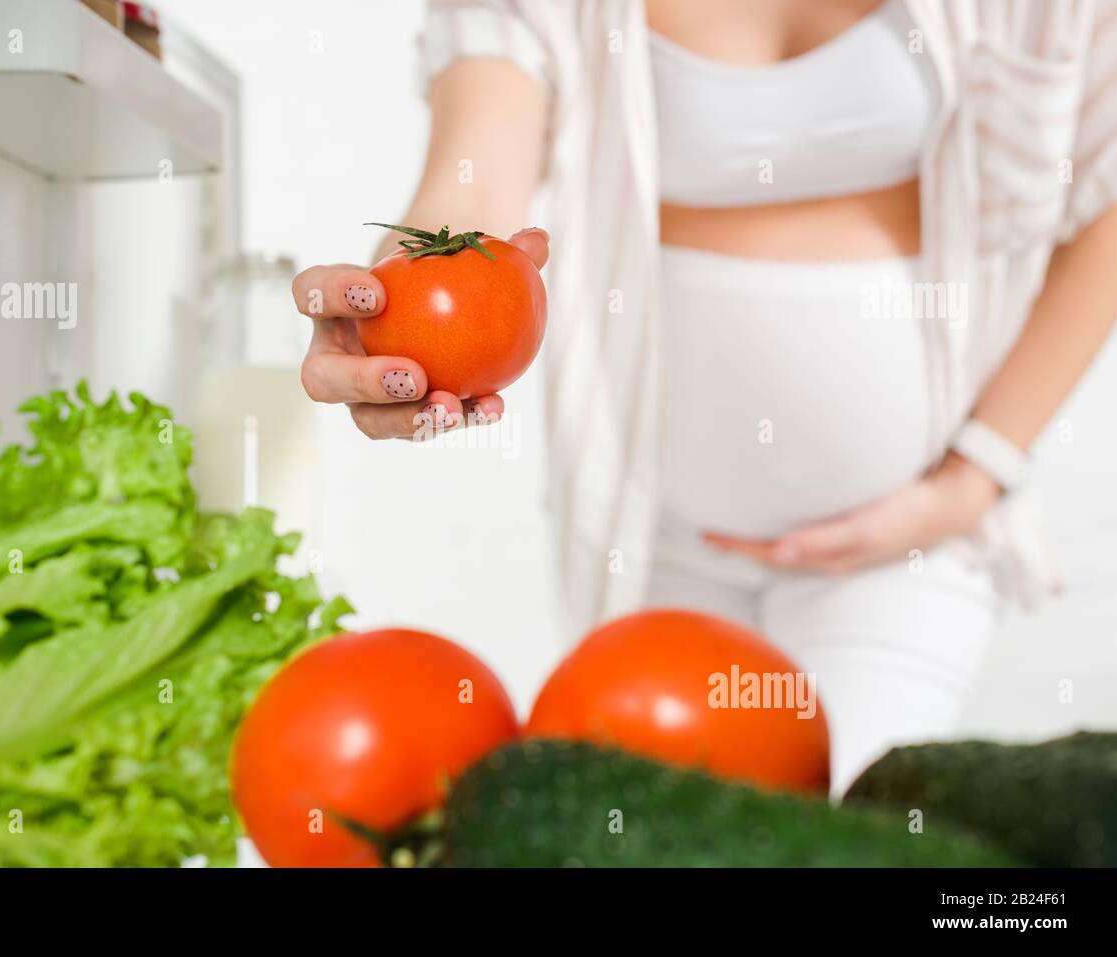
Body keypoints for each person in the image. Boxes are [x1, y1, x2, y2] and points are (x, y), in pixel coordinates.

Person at [290, 0, 1117, 792]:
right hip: (656, 537)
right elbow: (469, 189)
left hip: (906, 539)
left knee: (852, 838)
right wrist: (387, 305)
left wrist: (974, 476)